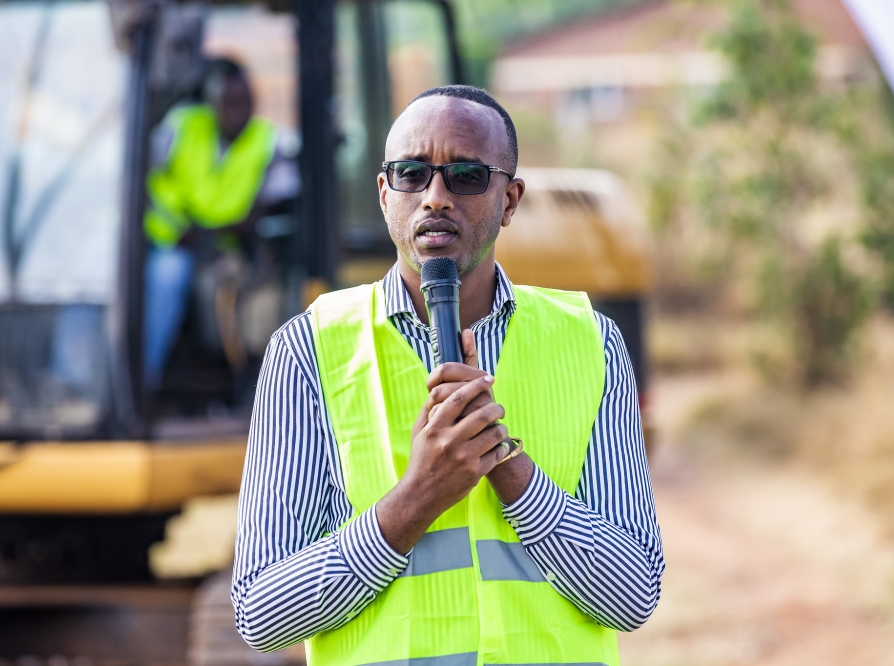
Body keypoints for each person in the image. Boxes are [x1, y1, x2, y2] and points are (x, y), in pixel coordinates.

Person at [232, 85, 663, 664]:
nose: (435, 197)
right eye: (411, 174)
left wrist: (507, 468)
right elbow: (262, 614)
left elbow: (631, 596)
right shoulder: (309, 350)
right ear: (385, 195)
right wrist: (417, 499)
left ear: (510, 200)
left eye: (465, 176)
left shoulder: (591, 340)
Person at [143, 57, 299, 390]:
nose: (235, 111)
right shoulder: (181, 125)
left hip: (219, 248)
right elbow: (139, 176)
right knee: (161, 274)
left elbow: (274, 205)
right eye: (226, 103)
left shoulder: (267, 143)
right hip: (164, 239)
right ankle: (140, 379)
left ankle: (147, 381)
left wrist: (217, 233)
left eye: (243, 102)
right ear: (211, 103)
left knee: (175, 278)